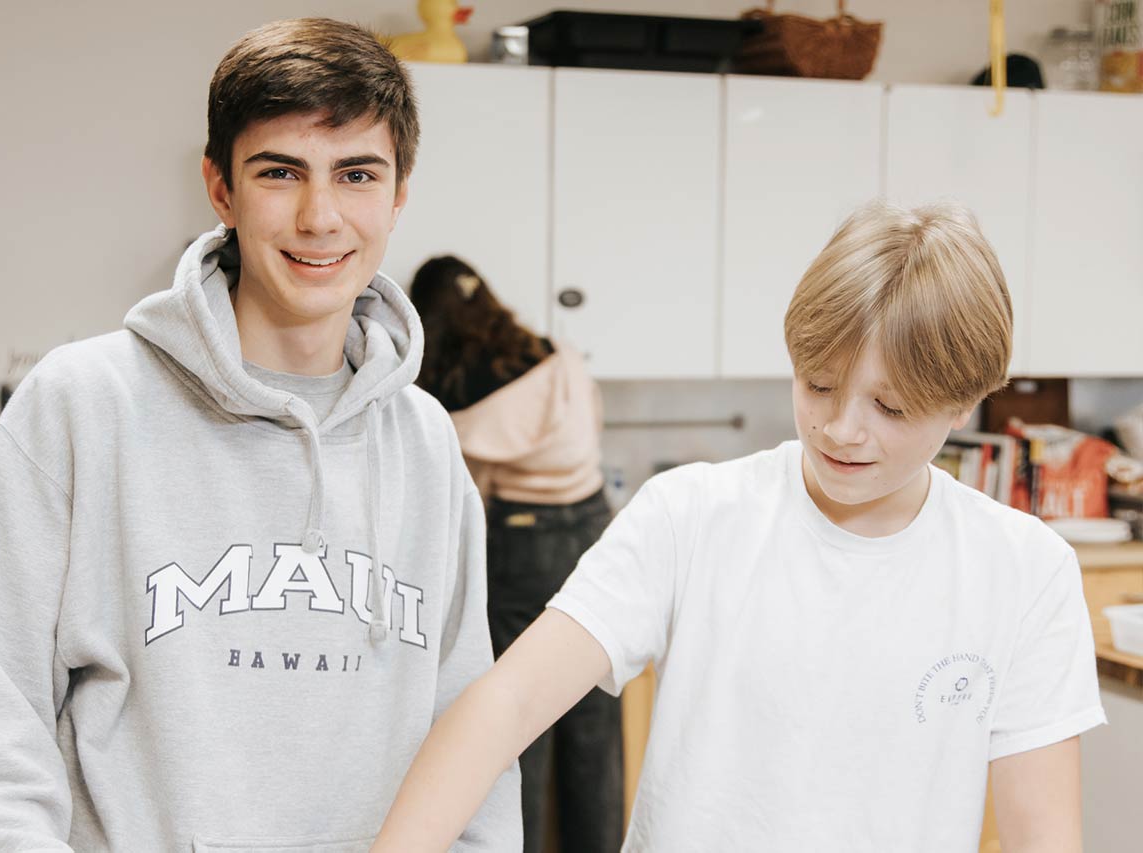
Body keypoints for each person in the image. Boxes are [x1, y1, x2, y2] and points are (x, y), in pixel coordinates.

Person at [0, 18, 520, 851]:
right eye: (279, 172)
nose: (320, 216)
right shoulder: (83, 406)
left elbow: (468, 741)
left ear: (398, 195)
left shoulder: (426, 443)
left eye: (356, 174)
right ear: (220, 188)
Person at [374, 201, 1106, 852]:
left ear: (964, 400)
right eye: (818, 385)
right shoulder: (691, 515)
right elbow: (509, 701)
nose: (842, 429)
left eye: (891, 407)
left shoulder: (1023, 569)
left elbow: (1042, 835)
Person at [409, 256, 622, 853]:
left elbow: (456, 485)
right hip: (594, 529)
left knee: (515, 721)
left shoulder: (453, 398)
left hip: (522, 543)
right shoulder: (560, 356)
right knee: (595, 719)